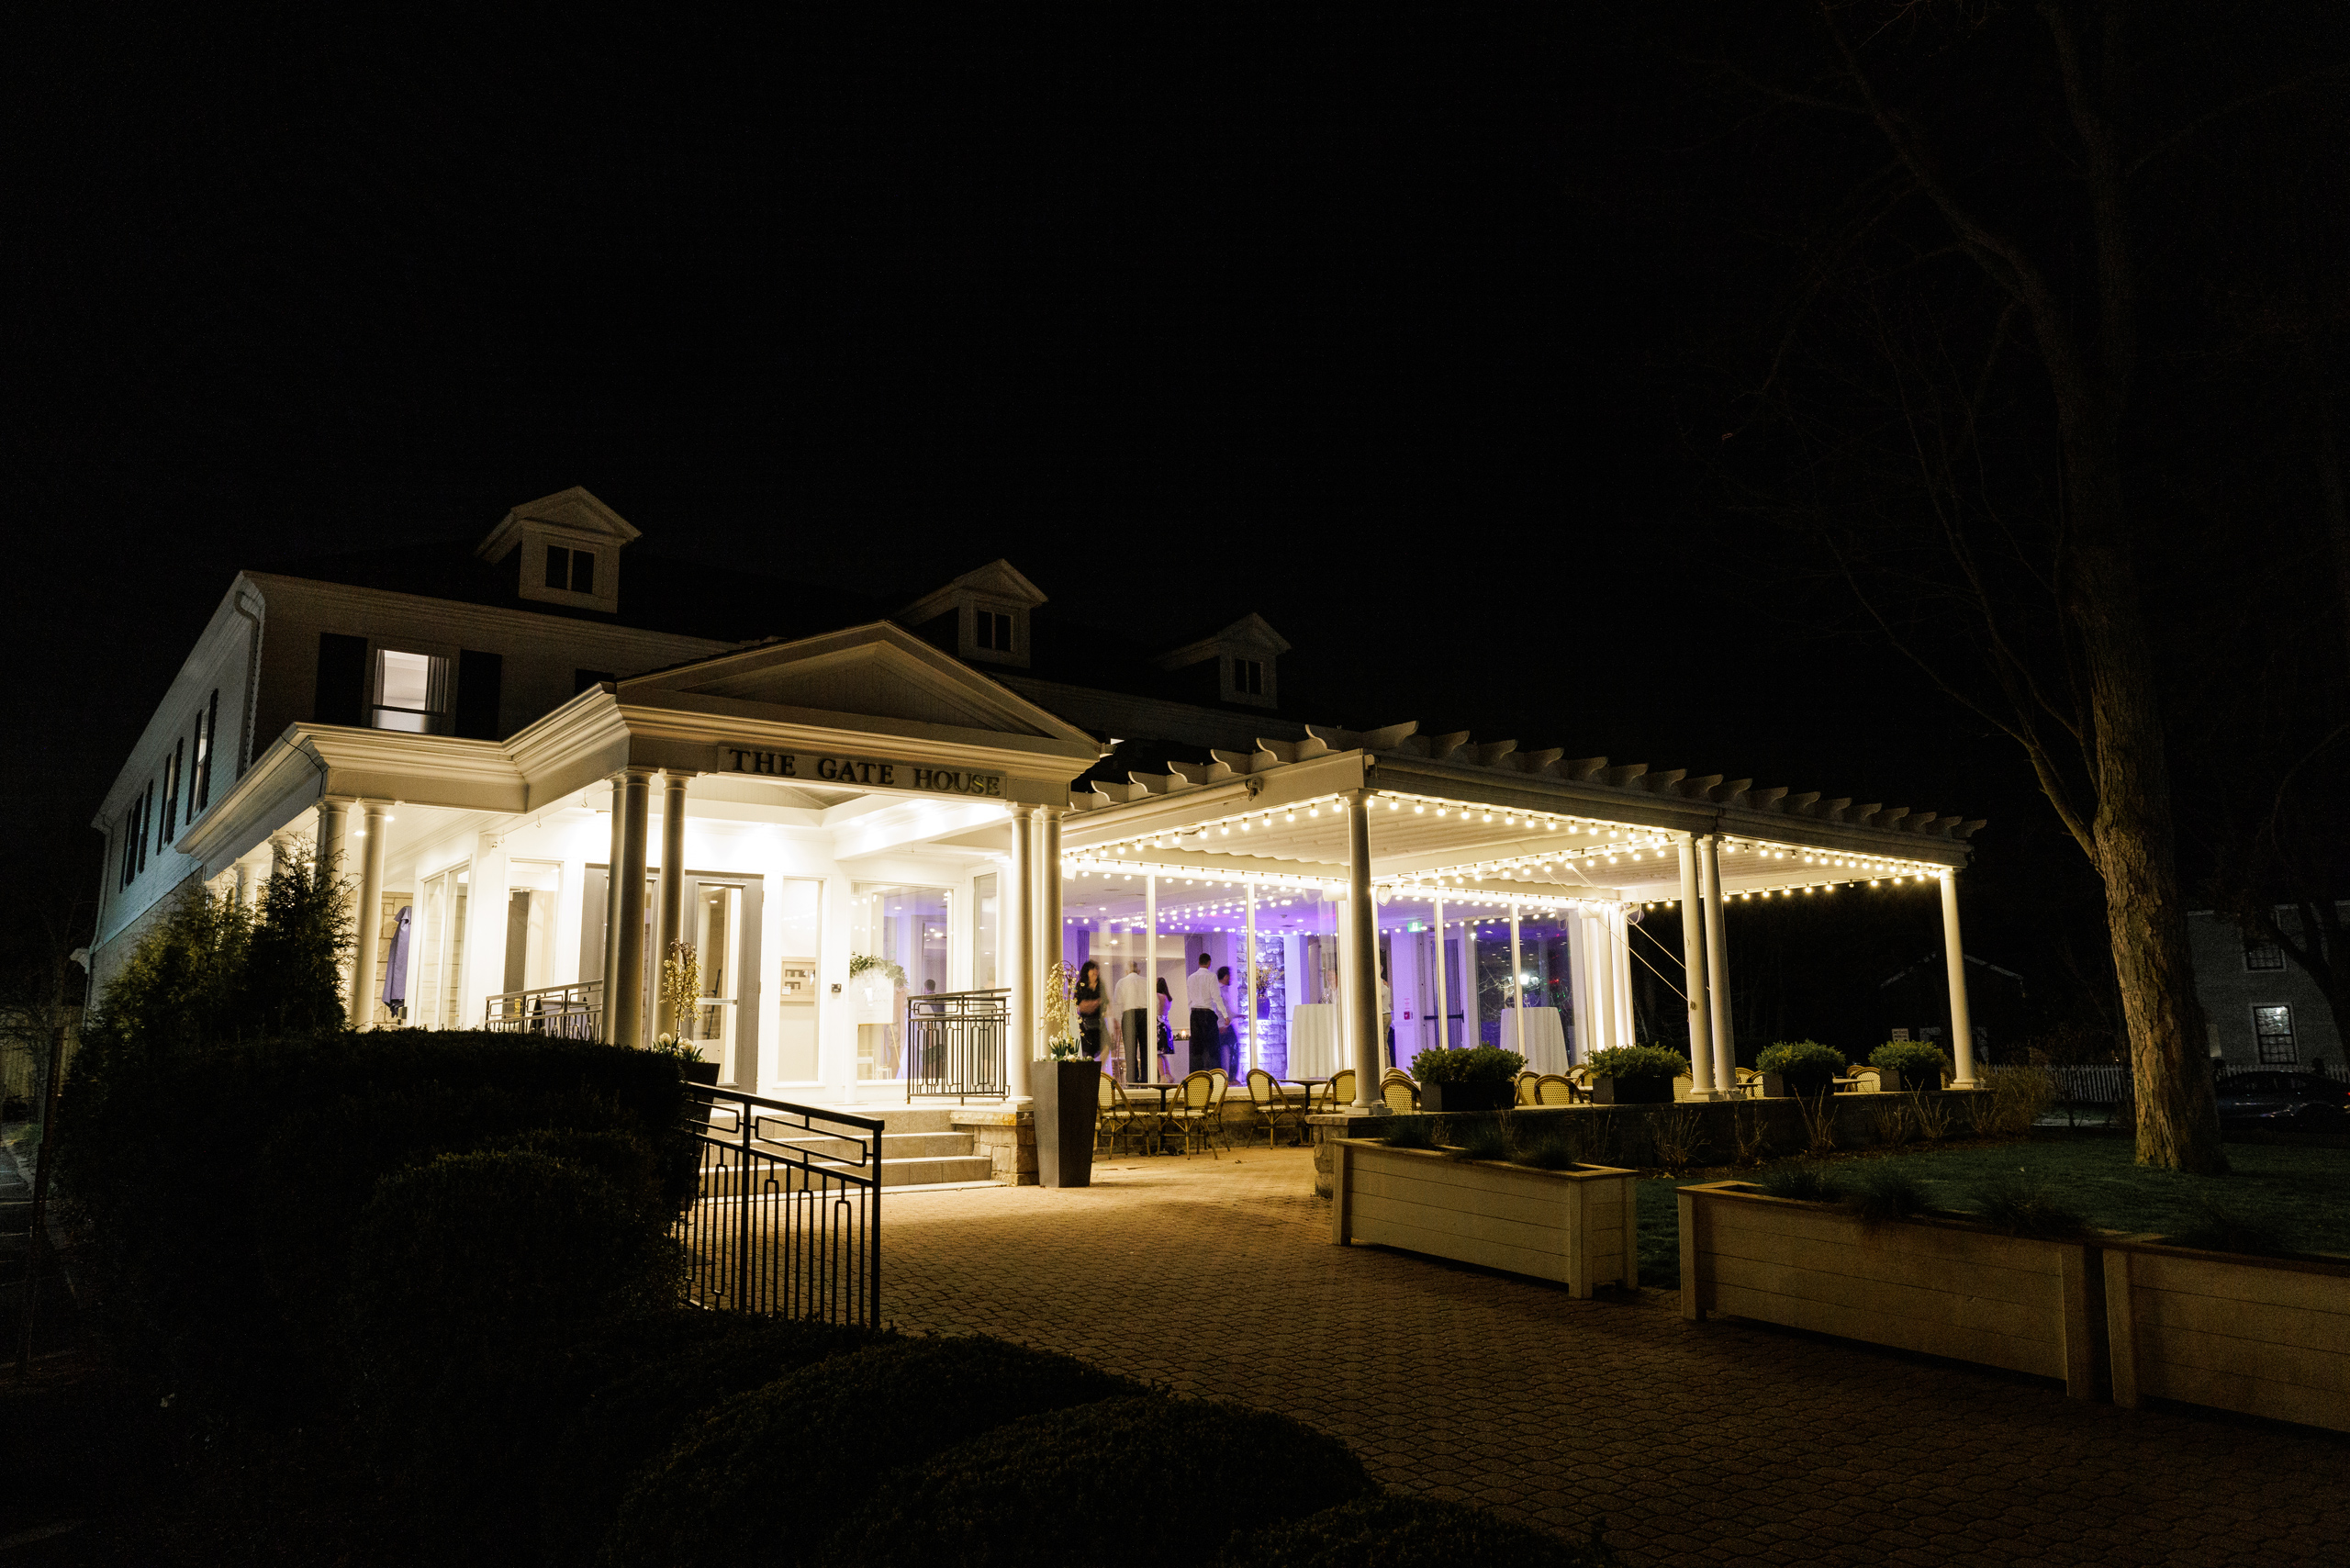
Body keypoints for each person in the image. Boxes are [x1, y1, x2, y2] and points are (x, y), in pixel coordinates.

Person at [1186, 952, 1227, 1076]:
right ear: (1209, 963)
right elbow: (1216, 996)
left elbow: (1189, 999)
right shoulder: (1211, 977)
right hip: (1207, 1014)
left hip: (1194, 1014)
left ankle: (1196, 1077)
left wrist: (1191, 1013)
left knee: (1196, 1049)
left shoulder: (1191, 978)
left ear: (1199, 963)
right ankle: (1216, 1076)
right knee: (1213, 1048)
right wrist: (1225, 1014)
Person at [1113, 960, 1152, 1080]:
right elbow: (1154, 1001)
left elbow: (1117, 1001)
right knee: (1146, 1051)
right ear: (1138, 970)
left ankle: (1132, 1081)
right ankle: (1147, 1080)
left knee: (1130, 1052)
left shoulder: (1121, 982)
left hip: (1129, 1014)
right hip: (1145, 1014)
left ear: (1126, 971)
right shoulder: (1146, 981)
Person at [1072, 958, 1105, 1060]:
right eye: (1092, 969)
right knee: (1087, 1050)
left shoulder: (1100, 985)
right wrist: (1095, 1003)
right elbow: (1079, 1005)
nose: (1095, 971)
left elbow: (1105, 1003)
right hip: (1085, 1025)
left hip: (1098, 1025)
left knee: (1100, 1050)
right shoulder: (1081, 985)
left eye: (1097, 969)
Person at [1215, 965, 1241, 1074]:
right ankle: (1227, 1077)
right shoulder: (1219, 991)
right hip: (1222, 1026)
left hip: (1227, 1025)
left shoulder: (1225, 990)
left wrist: (1237, 1015)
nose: (1231, 978)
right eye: (1230, 976)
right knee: (1227, 1052)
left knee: (1232, 1050)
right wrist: (1221, 1025)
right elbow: (1217, 1009)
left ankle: (1230, 1077)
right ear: (1226, 976)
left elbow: (1227, 1009)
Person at [1155, 975, 1176, 1080]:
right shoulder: (1168, 998)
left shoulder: (1157, 996)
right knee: (1163, 1054)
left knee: (1157, 1053)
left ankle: (1162, 1076)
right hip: (1166, 1024)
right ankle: (1169, 1075)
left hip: (1158, 1024)